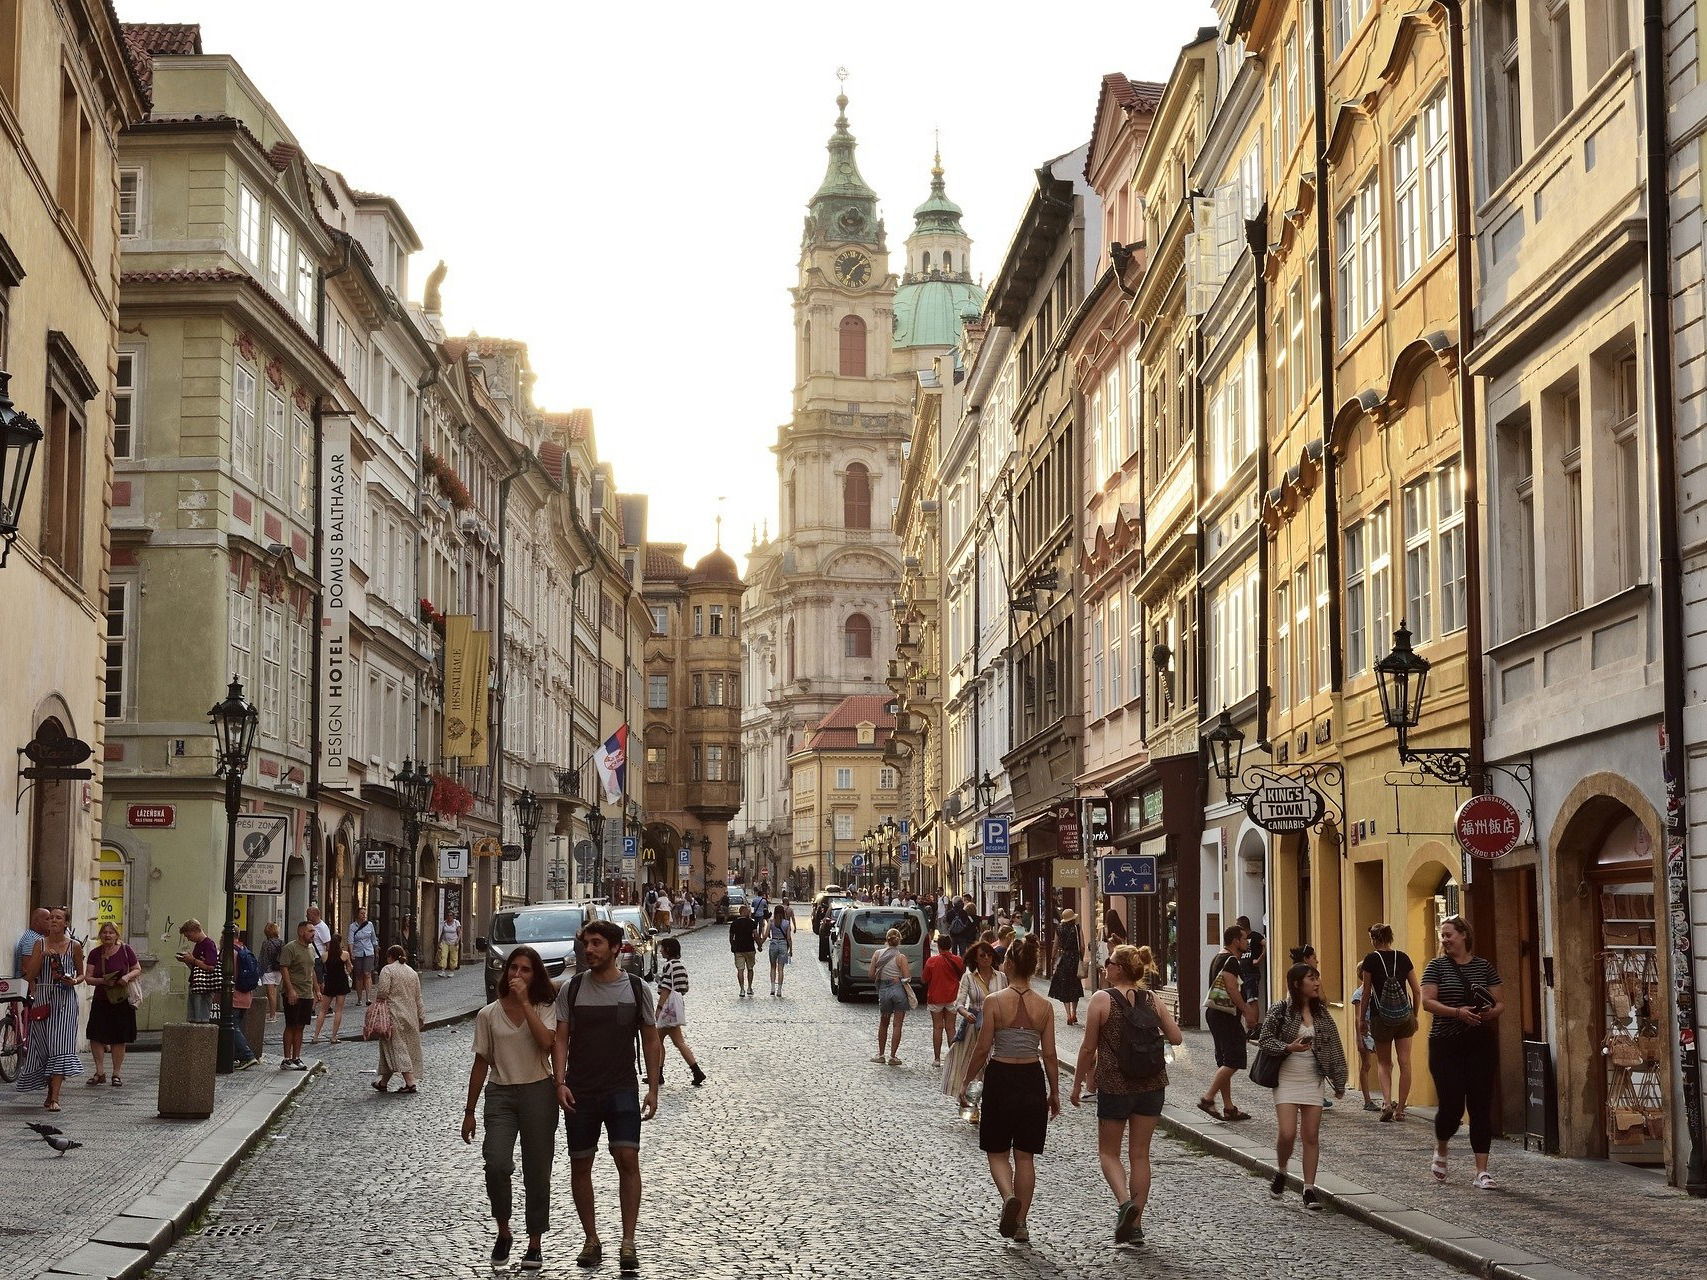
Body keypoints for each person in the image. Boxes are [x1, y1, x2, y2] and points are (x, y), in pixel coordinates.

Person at [552, 920, 663, 1274]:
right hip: (581, 1090)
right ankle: (591, 1238)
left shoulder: (636, 988)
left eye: (597, 943)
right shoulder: (571, 990)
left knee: (627, 1159)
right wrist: (560, 1082)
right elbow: (560, 1039)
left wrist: (654, 1087)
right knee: (580, 1163)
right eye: (586, 943)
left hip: (621, 1088)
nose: (589, 949)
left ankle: (628, 1241)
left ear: (616, 947)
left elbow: (651, 1038)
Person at [1069, 944, 1183, 1245]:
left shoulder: (1102, 999)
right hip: (1152, 1085)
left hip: (1115, 1086)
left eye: (1109, 962)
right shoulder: (1153, 998)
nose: (1106, 966)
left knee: (1108, 1153)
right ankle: (1136, 1225)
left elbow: (1088, 1048)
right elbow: (1177, 1037)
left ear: (1119, 967)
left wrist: (1078, 1084)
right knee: (1140, 1155)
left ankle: (1124, 1204)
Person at [463, 944, 559, 1272]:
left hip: (538, 1091)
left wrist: (524, 1004)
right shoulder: (488, 1014)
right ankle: (503, 1230)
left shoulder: (545, 1006)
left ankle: (534, 1243)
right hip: (500, 1094)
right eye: (513, 968)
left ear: (535, 976)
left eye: (525, 969)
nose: (517, 974)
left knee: (537, 1169)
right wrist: (469, 1110)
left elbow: (547, 1043)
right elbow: (480, 1062)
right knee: (497, 1163)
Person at [962, 935, 1059, 1243]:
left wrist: (967, 1080)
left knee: (997, 1150)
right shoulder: (1044, 1006)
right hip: (1032, 1077)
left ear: (1010, 964)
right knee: (1026, 1156)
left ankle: (1007, 1198)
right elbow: (1051, 1055)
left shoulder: (994, 1001)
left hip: (1001, 1077)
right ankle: (1020, 1223)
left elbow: (982, 1047)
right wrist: (1054, 1091)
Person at [1421, 915, 1503, 1188]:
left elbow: (1500, 1002)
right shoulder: (1436, 967)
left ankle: (1482, 1170)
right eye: (1442, 935)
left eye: (1449, 934)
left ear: (1464, 935)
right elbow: (1427, 1002)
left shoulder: (1484, 967)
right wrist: (1457, 1012)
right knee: (1452, 1106)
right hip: (1446, 1043)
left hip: (1480, 1041)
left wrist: (1490, 1012)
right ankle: (1441, 1147)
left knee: (1481, 1105)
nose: (1444, 940)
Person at [1259, 962, 1347, 1210]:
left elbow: (1335, 1048)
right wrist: (1288, 1047)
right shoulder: (1281, 1010)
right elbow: (1264, 1040)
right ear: (1298, 984)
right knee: (1287, 1133)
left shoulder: (1323, 1013)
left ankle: (1309, 1189)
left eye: (1317, 977)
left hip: (1313, 1080)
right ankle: (1282, 1170)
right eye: (1311, 978)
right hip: (1287, 1079)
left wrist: (1339, 1082)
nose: (1317, 982)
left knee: (1311, 1136)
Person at [16, 907, 84, 1110]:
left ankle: (55, 1097)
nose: (53, 920)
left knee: (60, 1045)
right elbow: (30, 976)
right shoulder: (40, 943)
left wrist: (74, 980)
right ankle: (49, 1090)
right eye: (51, 917)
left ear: (66, 923)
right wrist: (42, 955)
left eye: (58, 918)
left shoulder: (75, 946)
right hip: (44, 998)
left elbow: (82, 975)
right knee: (44, 1047)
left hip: (65, 1000)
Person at [1360, 922, 1421, 1122]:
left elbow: (1366, 992)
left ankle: (1386, 1102)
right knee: (1405, 1062)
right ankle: (1401, 1109)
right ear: (1390, 937)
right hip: (1404, 1017)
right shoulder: (1402, 957)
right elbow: (1417, 990)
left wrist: (1362, 1019)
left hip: (1381, 1017)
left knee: (1384, 1063)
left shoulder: (1370, 960)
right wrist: (1414, 1015)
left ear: (1374, 939)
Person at [1197, 925, 1257, 1122]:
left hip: (1215, 1014)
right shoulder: (1231, 960)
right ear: (1235, 941)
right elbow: (1231, 988)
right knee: (1234, 1059)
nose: (1247, 942)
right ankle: (1208, 1098)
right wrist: (1246, 1010)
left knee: (1224, 1062)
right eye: (1244, 939)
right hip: (1225, 1016)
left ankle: (1229, 1108)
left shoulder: (1218, 957)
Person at [944, 941, 1004, 1106]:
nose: (986, 958)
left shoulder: (1001, 977)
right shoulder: (968, 977)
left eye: (989, 955)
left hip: (996, 1027)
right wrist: (965, 1013)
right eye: (982, 956)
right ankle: (972, 1104)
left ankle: (991, 1101)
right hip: (974, 1026)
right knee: (974, 1065)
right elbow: (959, 1002)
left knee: (991, 1065)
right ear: (976, 959)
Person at [84, 920, 140, 1087]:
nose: (107, 935)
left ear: (117, 935)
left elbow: (137, 968)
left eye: (111, 932)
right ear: (100, 934)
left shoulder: (125, 950)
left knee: (118, 1037)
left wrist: (126, 977)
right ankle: (100, 1072)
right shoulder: (95, 953)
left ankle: (116, 1073)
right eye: (104, 932)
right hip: (101, 998)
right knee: (96, 1035)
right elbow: (88, 977)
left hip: (121, 999)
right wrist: (102, 981)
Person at [654, 935, 705, 1086]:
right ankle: (696, 1072)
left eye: (662, 948)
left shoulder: (669, 966)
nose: (660, 951)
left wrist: (659, 1008)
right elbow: (684, 987)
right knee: (674, 1042)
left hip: (668, 1009)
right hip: (677, 1006)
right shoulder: (680, 966)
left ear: (668, 950)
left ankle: (660, 1074)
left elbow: (666, 989)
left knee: (659, 1041)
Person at [374, 944, 425, 1093]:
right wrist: (421, 1016)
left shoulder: (388, 970)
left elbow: (383, 991)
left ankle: (410, 1082)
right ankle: (383, 1083)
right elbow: (418, 996)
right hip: (410, 1014)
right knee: (389, 1049)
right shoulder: (412, 972)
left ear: (390, 956)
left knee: (398, 1048)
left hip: (393, 1014)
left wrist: (375, 1005)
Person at [276, 920, 318, 1070]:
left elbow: (312, 970)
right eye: (310, 931)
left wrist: (317, 990)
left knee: (301, 1026)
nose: (314, 934)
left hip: (307, 993)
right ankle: (286, 1059)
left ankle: (296, 1057)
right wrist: (290, 990)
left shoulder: (311, 949)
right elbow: (284, 968)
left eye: (314, 931)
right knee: (291, 1024)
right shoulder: (290, 948)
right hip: (293, 992)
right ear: (301, 932)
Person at [869, 926, 912, 1065]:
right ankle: (893, 1056)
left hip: (884, 990)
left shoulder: (877, 954)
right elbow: (907, 978)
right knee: (897, 1025)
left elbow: (870, 975)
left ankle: (881, 1054)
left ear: (886, 940)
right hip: (898, 990)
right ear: (899, 941)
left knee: (883, 1023)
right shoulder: (901, 957)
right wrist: (898, 978)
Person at [922, 934, 966, 1066]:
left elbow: (924, 979)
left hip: (936, 996)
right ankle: (953, 1058)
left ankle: (937, 1058)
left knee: (937, 1027)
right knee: (951, 1027)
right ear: (951, 945)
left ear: (939, 946)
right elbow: (962, 975)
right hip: (952, 996)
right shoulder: (958, 960)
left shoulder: (932, 961)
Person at [175, 920, 220, 1023]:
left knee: (201, 1019)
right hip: (196, 983)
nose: (188, 939)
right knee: (193, 1018)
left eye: (189, 935)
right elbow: (196, 967)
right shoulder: (199, 944)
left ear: (195, 930)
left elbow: (211, 966)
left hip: (204, 986)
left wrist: (193, 960)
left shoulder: (209, 944)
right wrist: (187, 961)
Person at [312, 933, 351, 1044]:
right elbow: (349, 968)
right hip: (341, 982)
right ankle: (333, 1036)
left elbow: (322, 967)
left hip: (330, 982)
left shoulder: (325, 955)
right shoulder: (345, 954)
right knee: (338, 1010)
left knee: (323, 1011)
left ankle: (316, 1036)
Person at [1049, 908, 1086, 1025]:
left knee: (1065, 985)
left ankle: (1068, 1014)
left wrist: (1053, 958)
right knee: (1075, 985)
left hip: (1064, 958)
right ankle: (1074, 1013)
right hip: (1075, 958)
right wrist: (1081, 957)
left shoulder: (1059, 929)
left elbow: (1055, 945)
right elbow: (1083, 946)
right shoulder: (1077, 927)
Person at [727, 903, 759, 997]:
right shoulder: (751, 922)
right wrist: (759, 945)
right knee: (750, 969)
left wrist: (732, 946)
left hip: (738, 949)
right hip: (749, 948)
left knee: (740, 970)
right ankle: (749, 987)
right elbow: (755, 935)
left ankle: (741, 989)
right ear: (746, 912)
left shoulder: (734, 923)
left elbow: (731, 936)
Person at [764, 903, 794, 997]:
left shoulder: (771, 922)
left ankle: (772, 988)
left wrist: (760, 944)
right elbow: (789, 938)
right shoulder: (787, 923)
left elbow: (766, 934)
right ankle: (779, 990)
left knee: (773, 967)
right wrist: (791, 950)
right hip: (783, 944)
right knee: (780, 969)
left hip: (773, 944)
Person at [1236, 915, 1265, 1008]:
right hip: (1242, 973)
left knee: (1252, 1000)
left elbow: (1267, 944)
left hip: (1251, 973)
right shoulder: (1240, 939)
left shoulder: (1255, 936)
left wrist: (1260, 958)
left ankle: (1254, 1022)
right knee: (1243, 1000)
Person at [259, 921, 284, 1018]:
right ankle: (272, 1013)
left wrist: (260, 971)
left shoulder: (266, 943)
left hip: (268, 970)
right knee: (274, 991)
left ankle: (272, 1015)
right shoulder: (281, 942)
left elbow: (263, 958)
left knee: (270, 994)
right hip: (278, 969)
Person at [14, 906, 48, 976]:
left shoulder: (39, 937)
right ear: (37, 922)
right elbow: (27, 969)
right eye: (47, 919)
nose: (51, 922)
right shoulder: (31, 939)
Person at [437, 907, 463, 977]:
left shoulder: (456, 923)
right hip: (445, 941)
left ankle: (452, 971)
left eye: (451, 915)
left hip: (454, 942)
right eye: (448, 915)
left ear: (453, 916)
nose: (449, 917)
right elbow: (442, 933)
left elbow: (459, 932)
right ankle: (442, 970)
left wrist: (458, 940)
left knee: (453, 957)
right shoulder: (444, 923)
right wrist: (439, 942)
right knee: (443, 955)